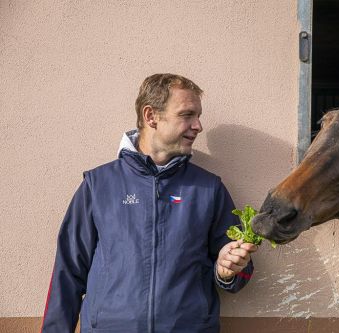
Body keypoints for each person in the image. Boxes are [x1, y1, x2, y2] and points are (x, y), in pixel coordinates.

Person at [41, 74, 257, 333]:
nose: (198, 126)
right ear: (151, 116)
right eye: (187, 115)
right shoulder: (98, 185)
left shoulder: (209, 189)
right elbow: (68, 271)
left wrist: (227, 271)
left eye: (198, 116)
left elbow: (238, 271)